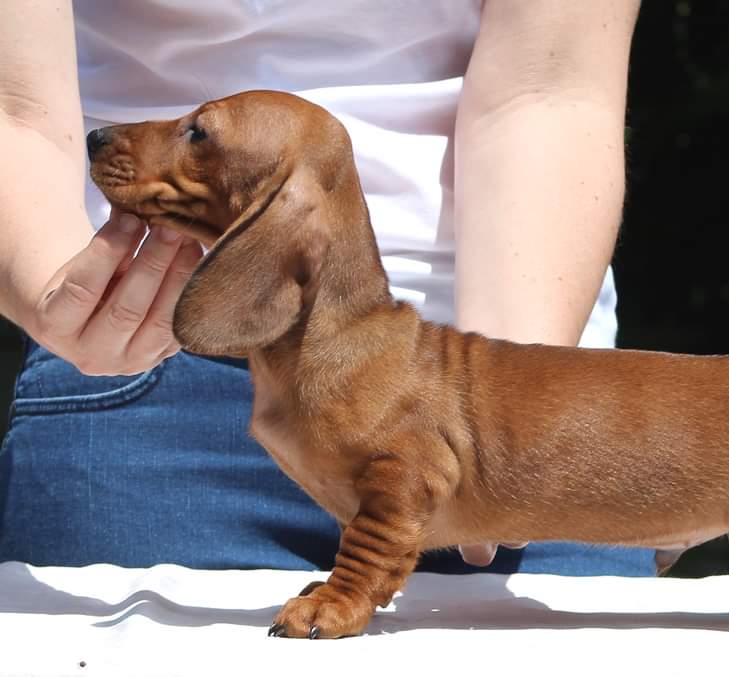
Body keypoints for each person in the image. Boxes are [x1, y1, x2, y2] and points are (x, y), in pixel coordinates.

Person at [0, 0, 649, 575]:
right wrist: (51, 291)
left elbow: (551, 90)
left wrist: (511, 405)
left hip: (506, 387)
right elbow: (13, 107)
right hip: (154, 373)